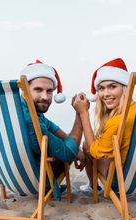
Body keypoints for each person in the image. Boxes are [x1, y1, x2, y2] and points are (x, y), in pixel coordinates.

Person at [72, 58, 136, 193]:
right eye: (101, 88)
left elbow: (95, 151)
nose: (106, 94)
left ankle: (92, 185)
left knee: (86, 145)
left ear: (125, 88)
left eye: (112, 86)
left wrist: (83, 113)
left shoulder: (116, 122)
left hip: (121, 180)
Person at [20, 60, 86, 189]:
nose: (44, 96)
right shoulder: (30, 120)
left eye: (49, 91)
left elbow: (57, 131)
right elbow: (68, 153)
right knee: (65, 152)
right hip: (35, 182)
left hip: (12, 180)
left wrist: (78, 151)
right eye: (38, 89)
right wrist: (80, 114)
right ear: (24, 89)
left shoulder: (21, 111)